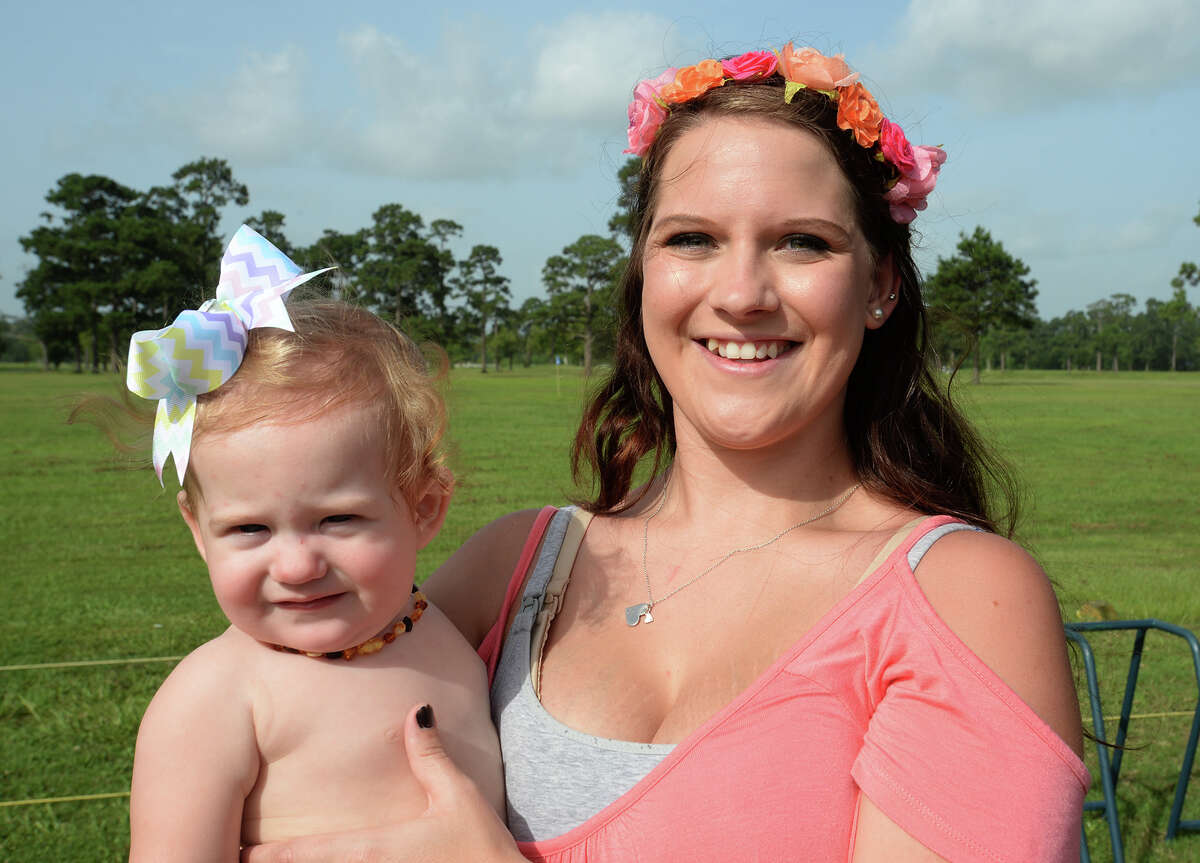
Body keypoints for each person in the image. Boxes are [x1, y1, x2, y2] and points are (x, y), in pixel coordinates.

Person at [245, 44, 1088, 862]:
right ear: (645, 273)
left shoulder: (964, 600)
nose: (741, 294)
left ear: (878, 286)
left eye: (803, 242)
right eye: (692, 239)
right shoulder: (516, 566)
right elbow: (265, 703)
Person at [109, 226, 504, 860]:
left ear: (424, 508)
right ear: (197, 532)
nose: (295, 565)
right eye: (249, 530)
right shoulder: (215, 698)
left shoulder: (445, 631)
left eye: (338, 520)